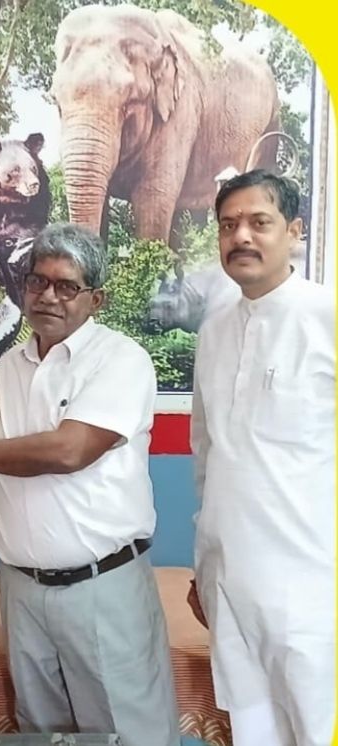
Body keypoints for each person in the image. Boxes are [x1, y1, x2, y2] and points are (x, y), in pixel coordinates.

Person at [0, 223, 181, 746]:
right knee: (39, 733)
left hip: (101, 587)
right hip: (19, 588)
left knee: (127, 732)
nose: (48, 296)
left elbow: (69, 451)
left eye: (66, 286)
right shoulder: (6, 369)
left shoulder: (121, 360)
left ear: (95, 299)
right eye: (38, 281)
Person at [188, 170, 335, 746]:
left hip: (313, 591)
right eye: (228, 225)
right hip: (230, 588)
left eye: (259, 222)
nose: (241, 237)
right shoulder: (215, 331)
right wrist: (205, 565)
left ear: (294, 231)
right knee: (253, 733)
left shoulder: (327, 317)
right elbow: (208, 458)